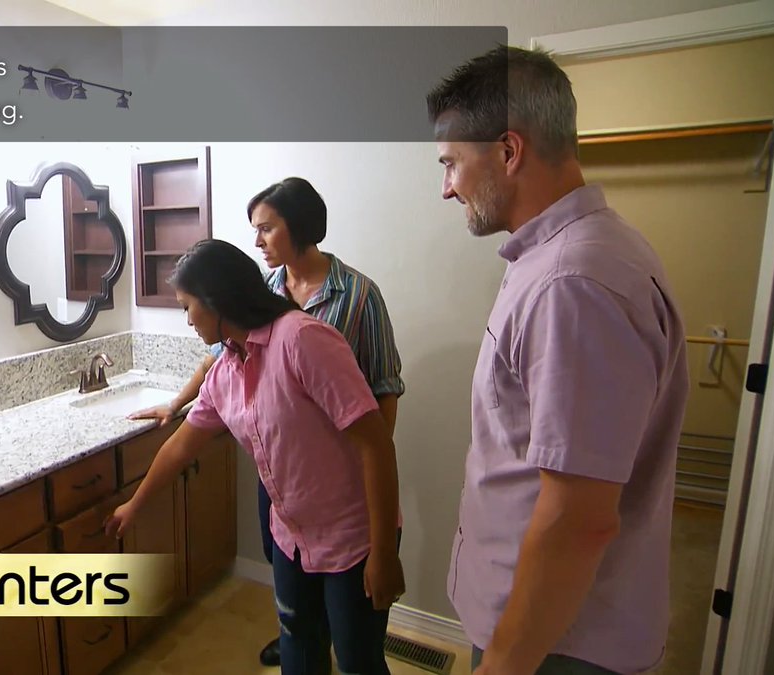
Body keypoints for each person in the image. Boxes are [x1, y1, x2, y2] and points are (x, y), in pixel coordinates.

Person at [427, 46, 689, 675]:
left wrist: (503, 664)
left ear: (508, 152)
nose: (447, 188)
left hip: (555, 645)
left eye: (452, 163)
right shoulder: (563, 258)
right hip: (541, 627)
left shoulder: (572, 283)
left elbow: (578, 519)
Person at [129, 176, 405, 667]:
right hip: (291, 521)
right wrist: (135, 504)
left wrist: (383, 551)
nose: (187, 321)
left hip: (348, 527)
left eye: (188, 308)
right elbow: (186, 438)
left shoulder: (313, 329)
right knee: (298, 639)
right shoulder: (239, 344)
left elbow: (377, 432)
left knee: (357, 657)